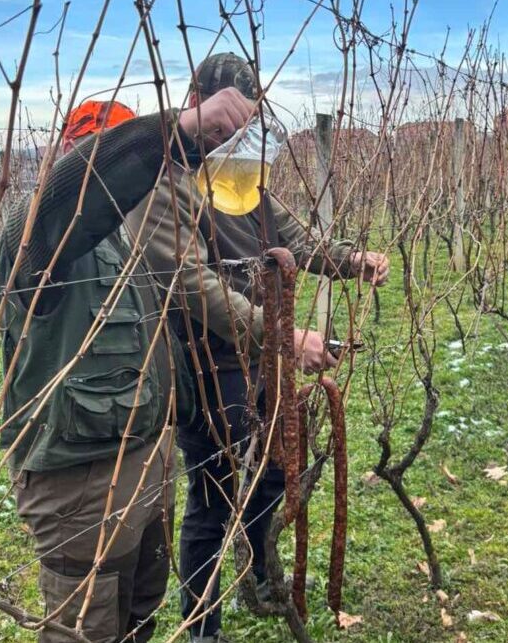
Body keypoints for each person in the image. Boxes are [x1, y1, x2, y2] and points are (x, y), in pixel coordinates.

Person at [124, 52, 389, 643]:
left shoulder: (245, 177)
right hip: (207, 362)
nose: (232, 138)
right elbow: (193, 284)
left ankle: (263, 570)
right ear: (193, 103)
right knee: (213, 492)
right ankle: (203, 626)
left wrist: (350, 262)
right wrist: (285, 335)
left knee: (273, 469)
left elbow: (292, 237)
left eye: (244, 127)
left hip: (261, 355)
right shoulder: (163, 178)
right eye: (221, 125)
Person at [0, 90, 255, 642]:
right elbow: (72, 198)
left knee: (139, 615)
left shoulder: (133, 237)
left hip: (146, 466)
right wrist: (175, 132)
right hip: (80, 483)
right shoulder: (39, 235)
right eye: (89, 145)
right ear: (65, 151)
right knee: (86, 631)